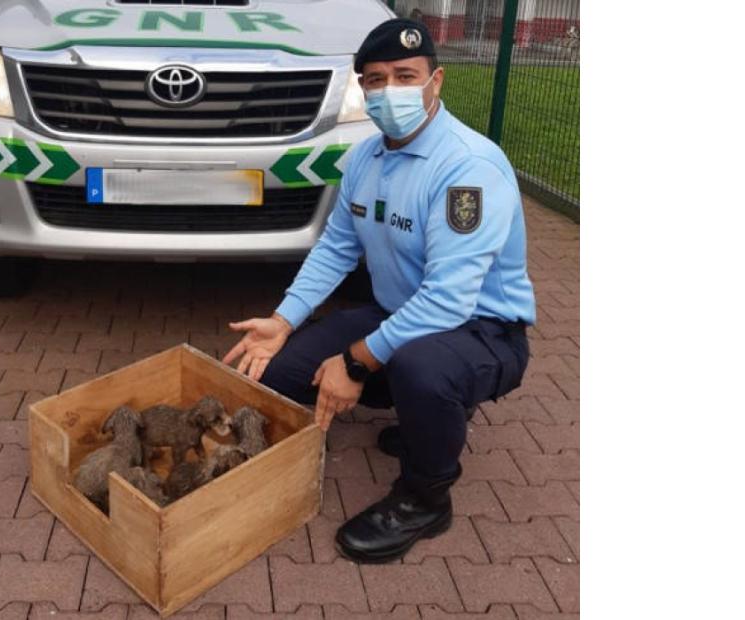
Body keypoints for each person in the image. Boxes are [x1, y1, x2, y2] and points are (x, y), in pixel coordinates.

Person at [222, 18, 536, 564]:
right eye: (375, 79)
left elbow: (449, 300)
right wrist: (284, 320)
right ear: (362, 89)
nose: (390, 91)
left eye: (405, 76)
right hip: (401, 315)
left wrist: (356, 362)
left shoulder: (469, 168)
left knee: (421, 369)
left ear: (436, 81)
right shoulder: (365, 158)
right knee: (276, 370)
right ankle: (423, 416)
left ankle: (425, 498)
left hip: (483, 331)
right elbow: (335, 248)